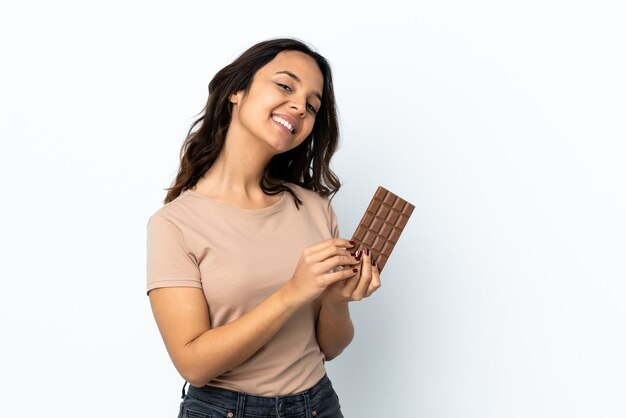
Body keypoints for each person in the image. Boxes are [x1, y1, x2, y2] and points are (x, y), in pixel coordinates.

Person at [146, 37, 381, 418]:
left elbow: (330, 347)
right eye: (285, 86)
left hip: (318, 405)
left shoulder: (315, 209)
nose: (299, 107)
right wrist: (292, 292)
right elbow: (193, 364)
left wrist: (337, 300)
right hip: (225, 410)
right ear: (237, 90)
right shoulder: (175, 224)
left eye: (311, 105)